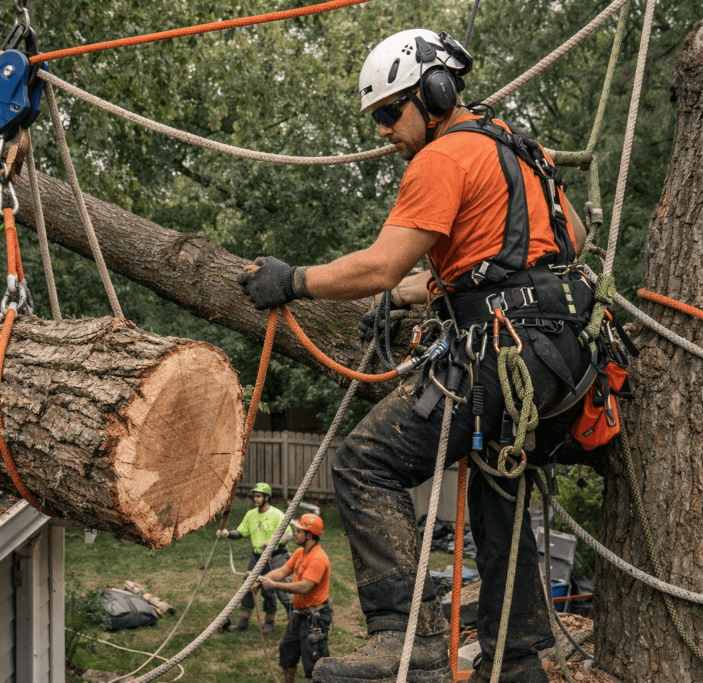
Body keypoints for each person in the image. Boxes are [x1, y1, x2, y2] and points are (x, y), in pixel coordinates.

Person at [236, 28, 595, 683]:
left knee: (364, 462)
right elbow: (568, 236)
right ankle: (516, 660)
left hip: (500, 352)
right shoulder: (520, 147)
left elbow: (377, 263)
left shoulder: (441, 158)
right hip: (563, 353)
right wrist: (418, 292)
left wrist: (292, 280)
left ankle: (406, 636)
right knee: (497, 481)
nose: (383, 130)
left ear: (434, 94)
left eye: (388, 112)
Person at [256, 513, 332, 683]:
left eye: (299, 531)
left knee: (315, 661)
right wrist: (260, 579)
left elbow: (305, 587)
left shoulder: (318, 559)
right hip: (299, 613)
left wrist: (274, 585)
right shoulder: (300, 552)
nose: (295, 533)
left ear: (309, 535)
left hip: (315, 618)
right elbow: (282, 571)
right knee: (287, 652)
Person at [217, 482, 293, 633]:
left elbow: (289, 534)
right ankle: (242, 623)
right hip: (256, 557)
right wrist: (227, 534)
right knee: (247, 588)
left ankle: (273, 623)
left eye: (258, 496)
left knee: (272, 590)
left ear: (266, 497)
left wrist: (272, 543)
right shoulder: (251, 515)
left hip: (275, 558)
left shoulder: (277, 514)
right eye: (254, 496)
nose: (255, 499)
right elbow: (241, 533)